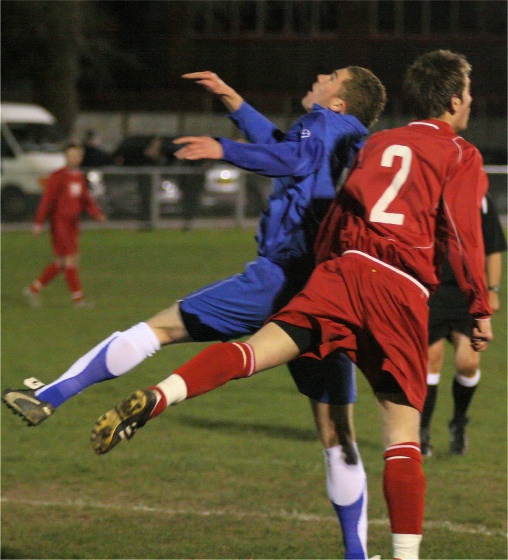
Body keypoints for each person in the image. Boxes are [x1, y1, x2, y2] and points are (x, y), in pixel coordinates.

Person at [84, 50, 491, 560]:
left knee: (252, 352)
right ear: (453, 101)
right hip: (399, 290)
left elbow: (344, 209)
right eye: (469, 95)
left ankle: (163, 393)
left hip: (341, 272)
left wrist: (325, 273)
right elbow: (463, 237)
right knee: (402, 432)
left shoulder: (380, 141)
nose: (471, 103)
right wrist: (479, 306)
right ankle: (405, 557)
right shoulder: (461, 153)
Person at [4, 67, 387, 559]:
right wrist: (233, 100)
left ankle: (51, 396)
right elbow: (286, 147)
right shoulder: (348, 138)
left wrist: (223, 148)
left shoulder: (322, 124)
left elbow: (292, 154)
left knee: (161, 327)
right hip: (325, 294)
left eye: (332, 76)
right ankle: (357, 556)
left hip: (280, 276)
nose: (320, 75)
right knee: (338, 433)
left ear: (338, 102)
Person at [420, 193, 506, 456]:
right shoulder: (426, 190)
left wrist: (492, 290)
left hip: (467, 291)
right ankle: (420, 432)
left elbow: (493, 248)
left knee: (468, 362)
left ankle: (459, 421)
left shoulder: (478, 197)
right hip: (431, 290)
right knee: (431, 360)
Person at [23, 141, 106, 307]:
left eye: (77, 155)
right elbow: (47, 200)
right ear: (66, 157)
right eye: (71, 155)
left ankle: (33, 289)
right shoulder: (58, 176)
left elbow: (85, 199)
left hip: (73, 224)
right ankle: (78, 299)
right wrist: (39, 222)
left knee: (62, 262)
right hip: (60, 224)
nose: (74, 158)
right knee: (70, 260)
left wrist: (96, 213)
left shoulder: (79, 176)